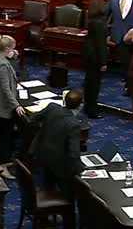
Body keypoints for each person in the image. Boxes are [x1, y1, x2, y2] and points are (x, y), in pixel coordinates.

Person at [29, 90, 95, 229]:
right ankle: (69, 225)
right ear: (80, 106)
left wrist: (42, 134)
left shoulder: (52, 107)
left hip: (44, 158)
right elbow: (73, 154)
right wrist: (82, 170)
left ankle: (44, 219)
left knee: (47, 186)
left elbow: (33, 119)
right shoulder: (73, 124)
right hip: (60, 167)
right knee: (69, 198)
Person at [0, 34, 24, 179]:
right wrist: (16, 105)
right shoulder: (2, 66)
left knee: (0, 132)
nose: (14, 52)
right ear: (7, 48)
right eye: (12, 49)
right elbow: (6, 89)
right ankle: (2, 165)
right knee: (4, 135)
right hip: (3, 105)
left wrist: (12, 56)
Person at [83, 0, 108, 119]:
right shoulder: (99, 23)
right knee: (94, 85)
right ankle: (92, 110)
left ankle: (88, 106)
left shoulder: (92, 20)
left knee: (89, 82)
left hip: (89, 56)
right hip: (96, 58)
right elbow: (100, 44)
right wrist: (103, 62)